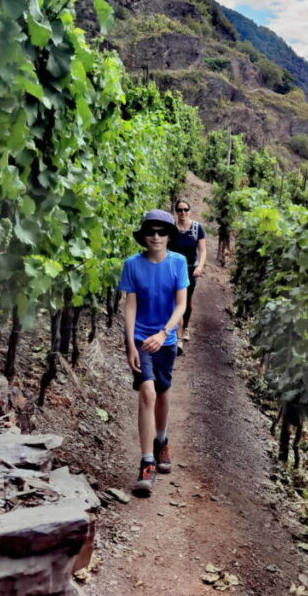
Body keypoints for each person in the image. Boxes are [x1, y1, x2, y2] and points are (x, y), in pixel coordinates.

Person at [119, 209, 189, 496]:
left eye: (162, 232)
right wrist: (130, 345)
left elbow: (181, 304)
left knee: (162, 391)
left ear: (169, 236)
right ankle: (146, 463)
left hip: (166, 339)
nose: (156, 237)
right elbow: (130, 306)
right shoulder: (132, 265)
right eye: (151, 232)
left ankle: (162, 441)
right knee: (146, 392)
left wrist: (164, 333)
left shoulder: (179, 262)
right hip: (141, 339)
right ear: (143, 236)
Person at [167, 200, 206, 354]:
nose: (183, 213)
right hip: (172, 270)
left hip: (189, 270)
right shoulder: (171, 229)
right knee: (173, 301)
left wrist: (200, 266)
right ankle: (177, 335)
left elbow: (202, 250)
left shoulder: (197, 228)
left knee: (186, 303)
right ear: (176, 211)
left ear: (190, 210)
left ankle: (185, 327)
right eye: (179, 210)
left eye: (185, 209)